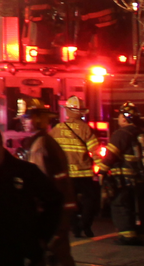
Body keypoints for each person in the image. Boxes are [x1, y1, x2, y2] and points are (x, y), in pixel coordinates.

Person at [0, 124, 63, 266]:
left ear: (2, 145)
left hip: (18, 251)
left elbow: (54, 200)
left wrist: (41, 237)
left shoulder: (24, 171)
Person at [23, 106, 77, 266]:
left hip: (54, 210)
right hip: (60, 207)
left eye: (27, 118)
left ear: (38, 119)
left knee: (53, 252)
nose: (24, 122)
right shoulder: (46, 141)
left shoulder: (40, 145)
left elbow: (40, 183)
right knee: (60, 253)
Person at [102, 104, 144, 245]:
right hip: (141, 180)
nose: (118, 118)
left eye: (120, 115)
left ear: (124, 118)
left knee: (121, 206)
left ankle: (127, 236)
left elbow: (111, 156)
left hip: (123, 179)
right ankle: (140, 234)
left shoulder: (121, 134)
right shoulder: (142, 134)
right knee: (139, 208)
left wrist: (102, 171)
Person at [55, 96, 100, 237]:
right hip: (84, 174)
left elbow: (50, 151)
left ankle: (75, 228)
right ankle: (85, 226)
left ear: (67, 111)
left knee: (69, 202)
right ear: (81, 112)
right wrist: (103, 168)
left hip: (66, 174)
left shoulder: (57, 129)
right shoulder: (86, 129)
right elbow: (95, 151)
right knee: (90, 201)